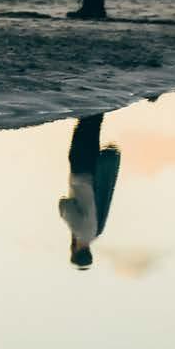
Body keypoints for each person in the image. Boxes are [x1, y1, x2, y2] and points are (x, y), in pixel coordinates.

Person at [58, 114, 120, 268]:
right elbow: (64, 206)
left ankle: (100, 104)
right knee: (83, 128)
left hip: (92, 173)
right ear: (75, 251)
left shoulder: (96, 233)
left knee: (92, 128)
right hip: (81, 173)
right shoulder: (80, 231)